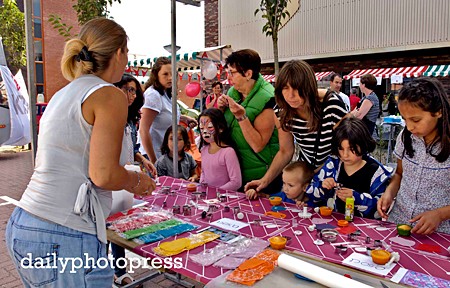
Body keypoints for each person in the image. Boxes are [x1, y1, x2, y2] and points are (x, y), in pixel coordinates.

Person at [5, 18, 156, 287]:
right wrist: (138, 182)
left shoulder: (64, 93)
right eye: (127, 53)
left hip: (25, 223)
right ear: (120, 52)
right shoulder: (110, 95)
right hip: (64, 234)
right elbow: (103, 173)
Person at [245, 60, 348, 193]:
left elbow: (349, 147)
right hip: (305, 176)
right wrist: (264, 181)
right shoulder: (281, 112)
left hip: (334, 176)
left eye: (297, 88)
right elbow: (285, 151)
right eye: (285, 88)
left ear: (308, 86)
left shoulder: (332, 105)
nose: (291, 95)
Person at [377, 78, 450, 235]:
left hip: (439, 232)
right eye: (404, 119)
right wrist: (389, 192)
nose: (409, 127)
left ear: (438, 112)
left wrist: (440, 214)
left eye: (416, 120)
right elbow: (399, 173)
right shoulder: (405, 137)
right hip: (399, 221)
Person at [111, 74, 156, 287]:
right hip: (112, 179)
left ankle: (119, 270)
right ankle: (113, 271)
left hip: (125, 180)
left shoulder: (129, 118)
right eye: (126, 89)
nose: (131, 94)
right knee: (107, 227)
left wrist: (142, 160)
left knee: (120, 224)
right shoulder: (109, 116)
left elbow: (132, 147)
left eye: (133, 90)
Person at [217, 49, 280, 192]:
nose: (229, 77)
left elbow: (258, 145)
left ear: (248, 74)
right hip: (235, 173)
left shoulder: (267, 97)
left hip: (260, 177)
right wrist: (220, 110)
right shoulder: (233, 92)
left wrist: (241, 116)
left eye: (232, 73)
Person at [306, 117, 393, 219]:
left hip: (363, 230)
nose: (345, 155)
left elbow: (380, 208)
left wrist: (356, 198)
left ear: (363, 144)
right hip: (332, 225)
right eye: (341, 149)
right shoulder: (332, 166)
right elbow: (311, 195)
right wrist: (322, 186)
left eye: (351, 149)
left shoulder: (377, 173)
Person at [139, 57, 196, 163]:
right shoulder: (153, 95)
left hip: (165, 154)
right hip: (154, 155)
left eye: (172, 74)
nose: (170, 78)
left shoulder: (167, 93)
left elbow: (163, 114)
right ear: (156, 75)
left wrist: (184, 118)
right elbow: (143, 130)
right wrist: (153, 161)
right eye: (165, 74)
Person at [115, 74, 155, 173]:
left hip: (128, 174)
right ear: (117, 89)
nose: (134, 95)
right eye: (130, 90)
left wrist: (143, 160)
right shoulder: (110, 119)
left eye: (135, 91)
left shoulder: (131, 121)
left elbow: (132, 149)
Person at [198, 108, 242, 190]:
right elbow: (204, 173)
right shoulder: (203, 150)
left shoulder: (228, 152)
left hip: (224, 199)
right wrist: (201, 188)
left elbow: (236, 182)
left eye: (210, 127)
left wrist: (216, 192)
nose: (204, 131)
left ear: (221, 128)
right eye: (201, 128)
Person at [246, 161, 314, 205]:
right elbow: (267, 197)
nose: (285, 189)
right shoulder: (282, 196)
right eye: (284, 183)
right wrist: (255, 193)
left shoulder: (310, 204)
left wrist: (304, 210)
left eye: (290, 185)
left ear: (305, 187)